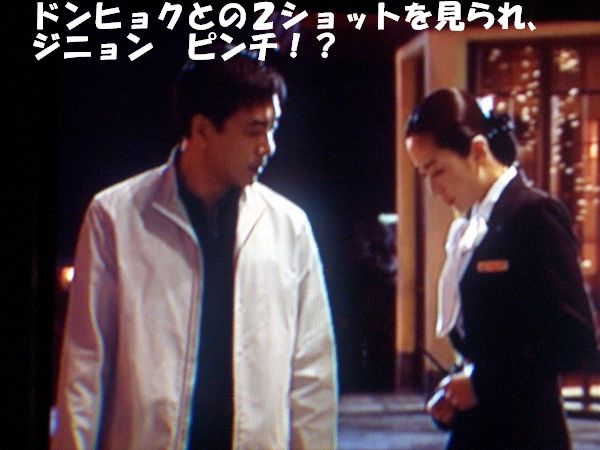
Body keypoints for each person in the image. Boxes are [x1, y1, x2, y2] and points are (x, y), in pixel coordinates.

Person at [51, 46, 338, 450]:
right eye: (254, 130)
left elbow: (312, 372)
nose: (268, 146)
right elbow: (85, 366)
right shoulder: (116, 217)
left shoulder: (289, 227)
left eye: (272, 128)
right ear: (202, 129)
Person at [404, 87, 599, 449]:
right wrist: (458, 390)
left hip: (527, 434)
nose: (432, 188)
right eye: (423, 174)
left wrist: (481, 384)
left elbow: (575, 339)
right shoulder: (471, 225)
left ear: (477, 151)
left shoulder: (533, 213)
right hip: (480, 431)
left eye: (437, 170)